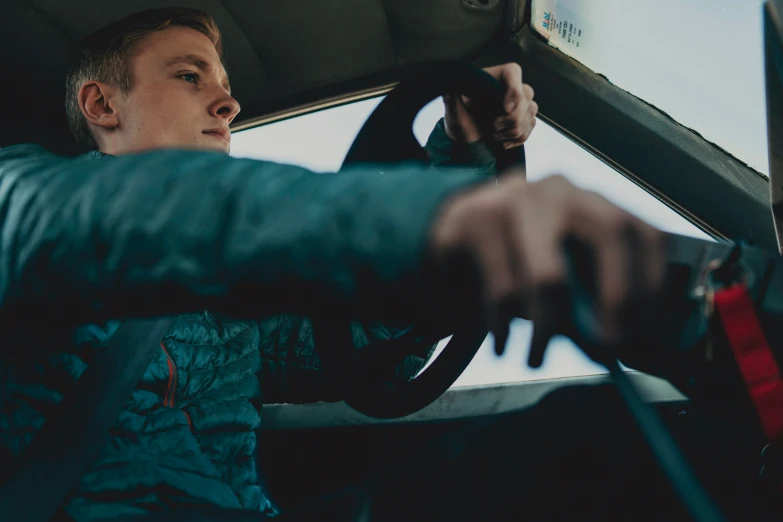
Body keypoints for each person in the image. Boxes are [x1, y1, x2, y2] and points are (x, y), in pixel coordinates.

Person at [0, 6, 670, 522]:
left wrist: (459, 158)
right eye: (189, 76)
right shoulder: (25, 206)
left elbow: (357, 340)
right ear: (101, 105)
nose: (227, 102)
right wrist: (418, 218)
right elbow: (98, 213)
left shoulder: (236, 303)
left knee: (590, 435)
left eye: (226, 85)